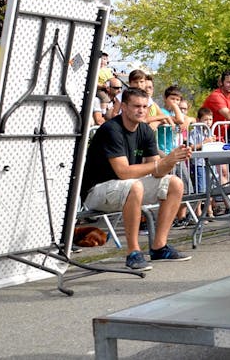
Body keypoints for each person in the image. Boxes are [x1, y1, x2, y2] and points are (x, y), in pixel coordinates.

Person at [80, 87, 192, 270]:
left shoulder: (145, 131)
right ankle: (133, 252)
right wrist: (160, 164)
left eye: (145, 106)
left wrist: (172, 160)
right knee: (135, 186)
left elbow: (157, 172)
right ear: (123, 106)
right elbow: (123, 172)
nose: (141, 110)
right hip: (97, 191)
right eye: (136, 106)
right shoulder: (111, 129)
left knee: (175, 183)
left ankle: (159, 247)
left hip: (125, 187)